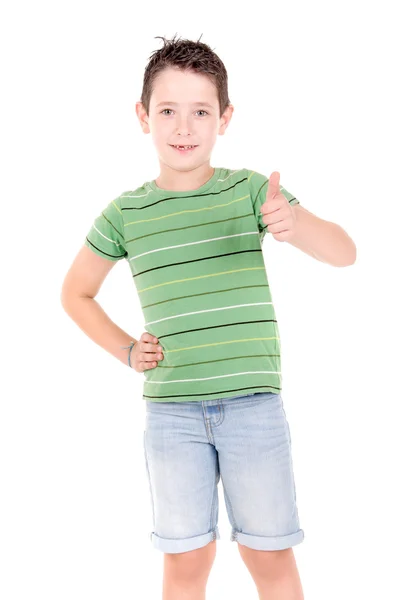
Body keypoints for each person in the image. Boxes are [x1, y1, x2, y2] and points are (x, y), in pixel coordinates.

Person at [61, 34, 356, 600]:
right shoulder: (125, 212)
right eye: (168, 111)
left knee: (269, 554)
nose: (184, 127)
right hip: (172, 415)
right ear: (143, 116)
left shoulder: (249, 193)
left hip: (254, 409)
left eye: (201, 112)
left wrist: (296, 226)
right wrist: (127, 350)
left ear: (225, 118)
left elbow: (344, 252)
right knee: (186, 560)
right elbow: (75, 294)